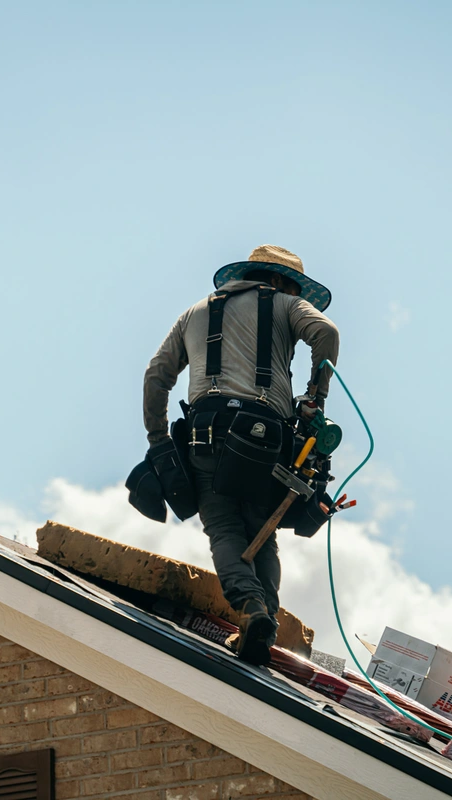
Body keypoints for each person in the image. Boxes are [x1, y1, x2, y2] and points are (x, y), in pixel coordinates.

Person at [142, 244, 340, 665]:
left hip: (206, 435)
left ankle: (251, 610)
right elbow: (327, 333)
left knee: (224, 528)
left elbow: (156, 377)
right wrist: (315, 399)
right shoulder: (287, 305)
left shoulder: (194, 313)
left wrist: (159, 440)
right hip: (267, 438)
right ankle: (262, 620)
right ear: (284, 282)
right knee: (261, 537)